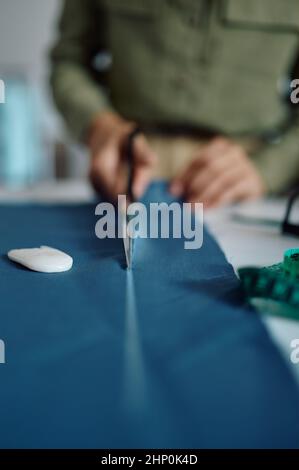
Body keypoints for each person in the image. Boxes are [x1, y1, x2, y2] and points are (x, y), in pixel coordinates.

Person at [50, 0, 299, 208]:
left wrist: (269, 168)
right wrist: (100, 126)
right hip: (127, 169)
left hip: (245, 187)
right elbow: (69, 61)